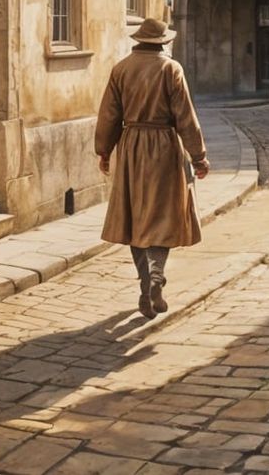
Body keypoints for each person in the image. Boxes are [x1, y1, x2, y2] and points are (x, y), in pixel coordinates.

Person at [95, 18, 210, 319]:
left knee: (136, 219)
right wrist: (199, 157)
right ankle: (157, 275)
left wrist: (104, 151)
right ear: (162, 42)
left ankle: (145, 283)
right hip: (164, 147)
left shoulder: (121, 69)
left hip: (131, 146)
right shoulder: (170, 69)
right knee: (161, 216)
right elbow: (185, 116)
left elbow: (109, 115)